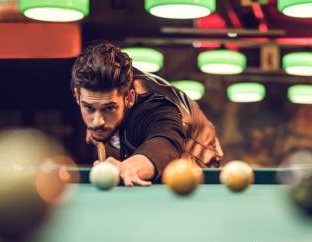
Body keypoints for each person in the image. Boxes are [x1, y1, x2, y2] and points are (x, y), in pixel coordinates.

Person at [71, 42, 223, 186]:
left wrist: (129, 166)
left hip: (197, 160)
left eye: (109, 108)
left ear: (129, 98)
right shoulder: (98, 90)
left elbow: (164, 142)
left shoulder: (154, 108)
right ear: (77, 96)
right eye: (89, 108)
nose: (97, 121)